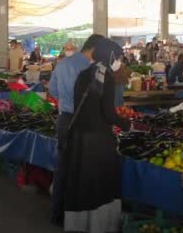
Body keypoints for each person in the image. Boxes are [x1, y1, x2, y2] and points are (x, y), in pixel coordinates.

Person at [63, 38, 131, 232]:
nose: (119, 61)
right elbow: (108, 113)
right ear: (110, 56)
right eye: (118, 57)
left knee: (82, 185)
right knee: (99, 185)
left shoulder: (84, 74)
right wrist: (127, 124)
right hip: (98, 140)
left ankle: (80, 226)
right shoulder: (106, 77)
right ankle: (99, 227)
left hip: (80, 137)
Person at [48, 34, 104, 226]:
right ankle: (78, 218)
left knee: (63, 167)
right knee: (83, 168)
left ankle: (57, 215)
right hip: (85, 122)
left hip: (64, 120)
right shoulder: (91, 69)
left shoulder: (62, 64)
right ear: (95, 49)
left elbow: (53, 91)